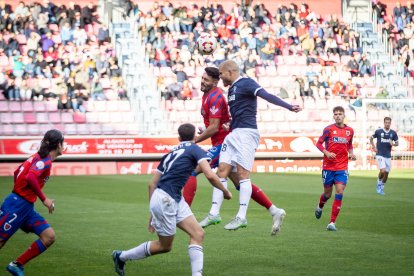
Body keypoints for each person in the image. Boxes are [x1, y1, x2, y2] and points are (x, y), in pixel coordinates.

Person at [183, 67, 294, 236]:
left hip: (228, 141)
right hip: (230, 137)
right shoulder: (221, 93)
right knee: (236, 180)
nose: (202, 81)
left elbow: (214, 127)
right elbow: (221, 122)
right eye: (202, 78)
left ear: (217, 80)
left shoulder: (217, 96)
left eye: (207, 79)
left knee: (195, 169)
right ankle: (274, 210)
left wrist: (195, 140)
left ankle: (184, 214)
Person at [112, 123, 232, 276]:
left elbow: (152, 184)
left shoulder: (170, 154)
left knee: (198, 234)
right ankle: (121, 256)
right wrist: (225, 191)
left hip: (171, 198)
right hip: (166, 199)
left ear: (178, 138)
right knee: (164, 246)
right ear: (195, 137)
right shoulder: (195, 149)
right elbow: (209, 174)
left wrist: (152, 211)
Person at [0, 129, 64, 275]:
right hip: (17, 205)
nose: (63, 146)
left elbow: (17, 172)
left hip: (25, 206)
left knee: (49, 236)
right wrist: (44, 199)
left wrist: (21, 191)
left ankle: (16, 265)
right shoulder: (45, 161)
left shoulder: (37, 157)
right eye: (63, 143)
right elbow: (30, 177)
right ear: (58, 144)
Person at [315, 106, 356, 231]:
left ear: (344, 116)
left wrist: (352, 153)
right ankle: (320, 206)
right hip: (328, 167)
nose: (338, 116)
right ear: (333, 116)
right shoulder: (328, 129)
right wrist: (326, 153)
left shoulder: (350, 131)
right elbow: (318, 143)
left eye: (340, 114)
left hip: (342, 167)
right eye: (336, 114)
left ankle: (332, 222)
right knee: (327, 194)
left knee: (340, 192)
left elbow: (349, 144)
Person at [369, 117, 399, 195]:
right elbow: (371, 138)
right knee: (382, 170)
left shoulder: (393, 133)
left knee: (386, 173)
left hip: (388, 155)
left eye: (389, 122)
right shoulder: (379, 132)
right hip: (380, 154)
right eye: (386, 122)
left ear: (390, 123)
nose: (387, 124)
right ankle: (378, 184)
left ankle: (382, 187)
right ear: (384, 123)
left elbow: (397, 143)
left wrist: (393, 144)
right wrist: (374, 147)